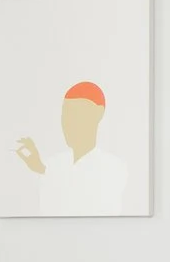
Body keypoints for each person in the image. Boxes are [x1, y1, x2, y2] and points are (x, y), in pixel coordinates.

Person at [13, 80, 130, 213]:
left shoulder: (114, 167)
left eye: (77, 114)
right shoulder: (53, 163)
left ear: (98, 114)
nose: (68, 123)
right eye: (65, 114)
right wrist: (39, 168)